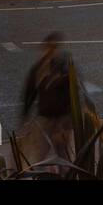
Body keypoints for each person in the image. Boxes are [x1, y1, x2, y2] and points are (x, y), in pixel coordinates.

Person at [21, 32, 75, 162]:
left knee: (63, 156)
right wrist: (24, 115)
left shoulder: (65, 67)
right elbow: (30, 92)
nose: (51, 51)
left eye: (54, 47)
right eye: (48, 47)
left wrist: (67, 126)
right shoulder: (38, 68)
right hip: (45, 117)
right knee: (39, 155)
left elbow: (72, 94)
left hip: (61, 119)